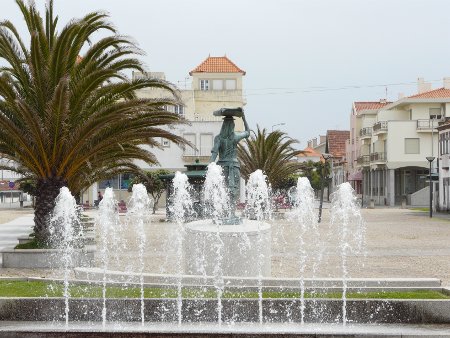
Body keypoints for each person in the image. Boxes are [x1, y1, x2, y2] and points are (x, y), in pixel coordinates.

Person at [210, 113, 250, 221]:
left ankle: (222, 212)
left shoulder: (218, 138)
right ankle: (231, 213)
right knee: (234, 190)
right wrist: (244, 118)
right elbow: (248, 132)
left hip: (222, 167)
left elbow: (214, 152)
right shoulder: (235, 137)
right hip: (234, 167)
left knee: (221, 190)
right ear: (232, 126)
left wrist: (211, 165)